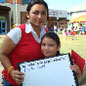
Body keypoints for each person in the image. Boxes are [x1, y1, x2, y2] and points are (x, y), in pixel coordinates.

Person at [0, 0, 48, 86]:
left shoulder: (46, 32)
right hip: (13, 83)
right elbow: (2, 54)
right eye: (35, 13)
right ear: (27, 14)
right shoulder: (18, 32)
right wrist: (11, 71)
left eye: (43, 13)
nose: (40, 17)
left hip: (34, 82)